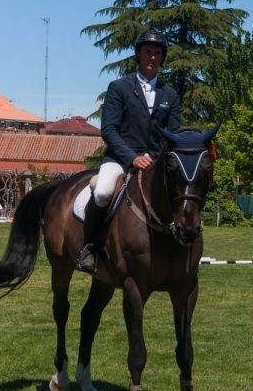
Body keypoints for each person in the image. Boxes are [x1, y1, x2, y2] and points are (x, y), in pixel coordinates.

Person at [77, 30, 181, 273]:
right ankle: (90, 248)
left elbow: (173, 132)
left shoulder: (170, 94)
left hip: (155, 162)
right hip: (120, 159)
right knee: (103, 192)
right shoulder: (119, 87)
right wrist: (132, 157)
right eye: (148, 52)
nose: (152, 57)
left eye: (157, 53)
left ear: (162, 58)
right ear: (138, 55)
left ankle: (181, 241)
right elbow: (109, 130)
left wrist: (159, 158)